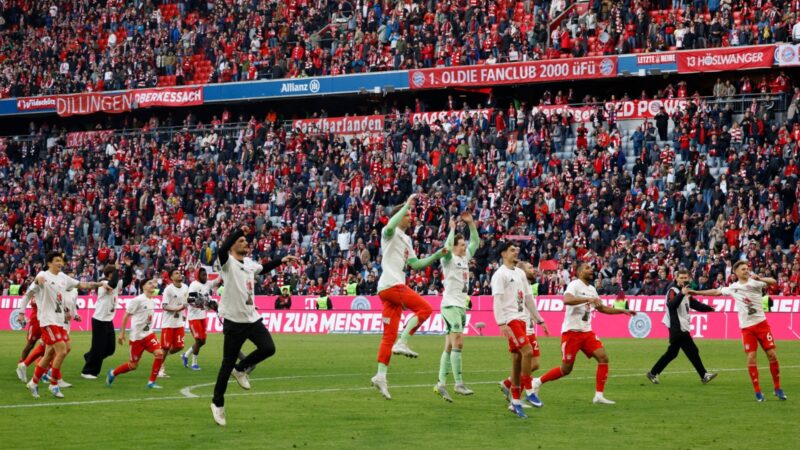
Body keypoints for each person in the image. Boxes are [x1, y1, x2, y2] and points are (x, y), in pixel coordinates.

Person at [210, 225, 300, 426]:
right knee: (226, 363)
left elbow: (264, 268)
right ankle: (217, 403)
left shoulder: (249, 263)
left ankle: (240, 369)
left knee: (269, 348)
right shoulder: (228, 263)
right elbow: (221, 250)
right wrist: (237, 231)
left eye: (245, 240)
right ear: (233, 245)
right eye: (241, 241)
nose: (245, 243)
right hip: (234, 321)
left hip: (251, 318)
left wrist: (281, 261)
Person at [371, 193, 448, 400]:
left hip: (388, 291)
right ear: (399, 216)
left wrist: (436, 255)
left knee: (388, 336)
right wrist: (406, 204)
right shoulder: (389, 233)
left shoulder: (406, 239)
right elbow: (389, 224)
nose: (411, 217)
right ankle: (403, 342)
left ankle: (380, 376)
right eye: (407, 214)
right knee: (425, 309)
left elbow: (416, 265)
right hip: (392, 285)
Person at [533, 262, 635, 405]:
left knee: (603, 358)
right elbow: (566, 300)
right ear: (580, 272)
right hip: (571, 333)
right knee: (566, 369)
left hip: (586, 332)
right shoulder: (574, 285)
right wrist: (587, 299)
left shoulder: (592, 289)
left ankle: (599, 396)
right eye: (587, 268)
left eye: (591, 268)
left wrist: (622, 311)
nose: (591, 269)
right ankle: (537, 382)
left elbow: (602, 308)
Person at [688, 261, 787, 402]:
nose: (746, 271)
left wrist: (761, 278)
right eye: (743, 269)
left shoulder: (755, 283)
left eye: (747, 268)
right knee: (751, 358)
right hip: (747, 328)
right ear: (736, 273)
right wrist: (696, 292)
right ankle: (758, 392)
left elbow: (773, 282)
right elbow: (716, 292)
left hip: (762, 325)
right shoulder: (733, 288)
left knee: (772, 355)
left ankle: (777, 388)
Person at [26, 252, 107, 399]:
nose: (60, 263)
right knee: (62, 350)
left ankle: (34, 382)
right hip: (47, 320)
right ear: (49, 262)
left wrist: (99, 284)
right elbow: (29, 292)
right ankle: (54, 383)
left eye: (61, 261)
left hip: (59, 320)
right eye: (57, 261)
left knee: (53, 352)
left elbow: (82, 284)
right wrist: (20, 312)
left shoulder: (63, 277)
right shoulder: (42, 275)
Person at [491, 242, 545, 418]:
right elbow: (497, 300)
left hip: (522, 320)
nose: (516, 253)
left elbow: (528, 298)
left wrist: (539, 319)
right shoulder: (500, 274)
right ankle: (529, 390)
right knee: (528, 352)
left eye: (516, 250)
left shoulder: (520, 273)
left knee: (516, 361)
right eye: (512, 250)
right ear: (503, 253)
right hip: (510, 319)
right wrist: (501, 323)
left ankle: (515, 402)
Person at [434, 212, 479, 402]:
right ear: (454, 246)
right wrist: (452, 229)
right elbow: (445, 247)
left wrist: (470, 224)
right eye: (461, 245)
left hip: (461, 305)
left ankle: (440, 384)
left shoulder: (464, 258)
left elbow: (475, 242)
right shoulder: (448, 259)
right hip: (450, 304)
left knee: (450, 346)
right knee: (458, 342)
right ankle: (458, 383)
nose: (464, 247)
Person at [646, 269, 718, 385]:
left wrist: (709, 308)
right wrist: (682, 293)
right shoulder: (673, 290)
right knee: (692, 351)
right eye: (682, 278)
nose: (684, 280)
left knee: (672, 353)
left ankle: (653, 373)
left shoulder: (685, 291)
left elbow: (694, 304)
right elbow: (671, 305)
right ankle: (704, 375)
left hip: (680, 326)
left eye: (686, 278)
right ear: (676, 278)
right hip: (677, 327)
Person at [499, 261, 550, 409]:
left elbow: (529, 304)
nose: (533, 270)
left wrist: (539, 321)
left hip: (528, 327)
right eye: (529, 268)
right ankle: (516, 398)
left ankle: (509, 384)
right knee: (525, 363)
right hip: (520, 327)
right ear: (521, 270)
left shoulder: (526, 285)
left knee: (533, 364)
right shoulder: (514, 282)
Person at [106, 278, 166, 389]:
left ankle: (151, 382)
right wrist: (122, 333)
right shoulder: (137, 300)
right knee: (133, 365)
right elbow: (125, 316)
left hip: (148, 335)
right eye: (150, 283)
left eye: (153, 283)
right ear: (143, 287)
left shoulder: (152, 301)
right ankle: (113, 373)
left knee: (159, 353)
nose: (153, 285)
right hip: (136, 338)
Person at [81, 259, 134, 379]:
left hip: (108, 320)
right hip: (99, 319)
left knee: (110, 349)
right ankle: (88, 371)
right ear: (110, 274)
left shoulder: (114, 282)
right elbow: (113, 284)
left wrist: (128, 267)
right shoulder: (103, 284)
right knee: (98, 348)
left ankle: (90, 356)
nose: (117, 274)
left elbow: (127, 280)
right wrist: (116, 269)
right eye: (115, 272)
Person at [183, 268, 220, 370]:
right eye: (203, 275)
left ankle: (185, 355)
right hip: (194, 317)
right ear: (197, 276)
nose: (205, 277)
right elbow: (189, 299)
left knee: (203, 341)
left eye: (206, 275)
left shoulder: (207, 284)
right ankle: (194, 363)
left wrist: (223, 273)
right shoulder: (194, 285)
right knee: (198, 340)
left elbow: (217, 281)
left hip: (203, 316)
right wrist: (198, 301)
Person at [159, 269, 189, 378]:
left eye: (179, 273)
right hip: (168, 323)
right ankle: (160, 368)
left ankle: (161, 356)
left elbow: (185, 302)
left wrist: (184, 310)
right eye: (176, 273)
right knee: (166, 346)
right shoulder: (168, 290)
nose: (179, 274)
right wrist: (176, 308)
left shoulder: (185, 287)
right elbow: (164, 306)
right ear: (171, 278)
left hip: (179, 322)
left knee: (180, 346)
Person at [16, 282, 42, 383]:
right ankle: (21, 364)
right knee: (30, 345)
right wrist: (21, 313)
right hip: (36, 322)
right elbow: (28, 298)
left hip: (47, 320)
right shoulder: (34, 291)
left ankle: (43, 369)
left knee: (49, 345)